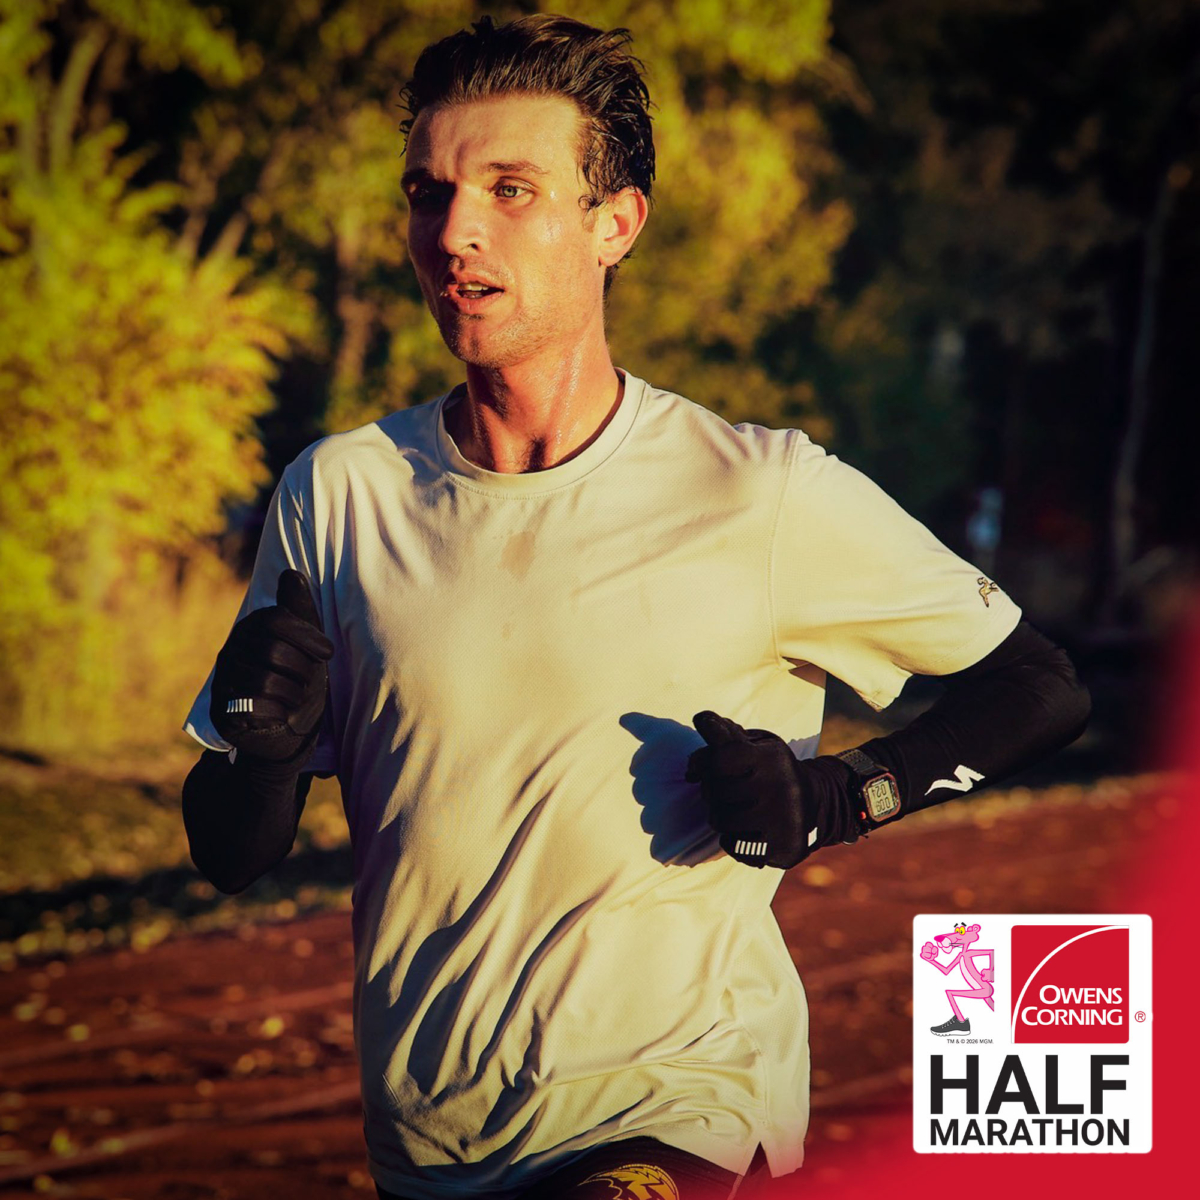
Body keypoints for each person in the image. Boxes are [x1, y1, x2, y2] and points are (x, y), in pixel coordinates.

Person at [181, 14, 1090, 1199]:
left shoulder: (756, 490)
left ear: (615, 223)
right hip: (429, 1143)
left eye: (510, 190)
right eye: (428, 193)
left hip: (677, 1112)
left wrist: (838, 796)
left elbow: (1040, 688)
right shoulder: (339, 492)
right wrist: (257, 751)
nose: (453, 231)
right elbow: (231, 852)